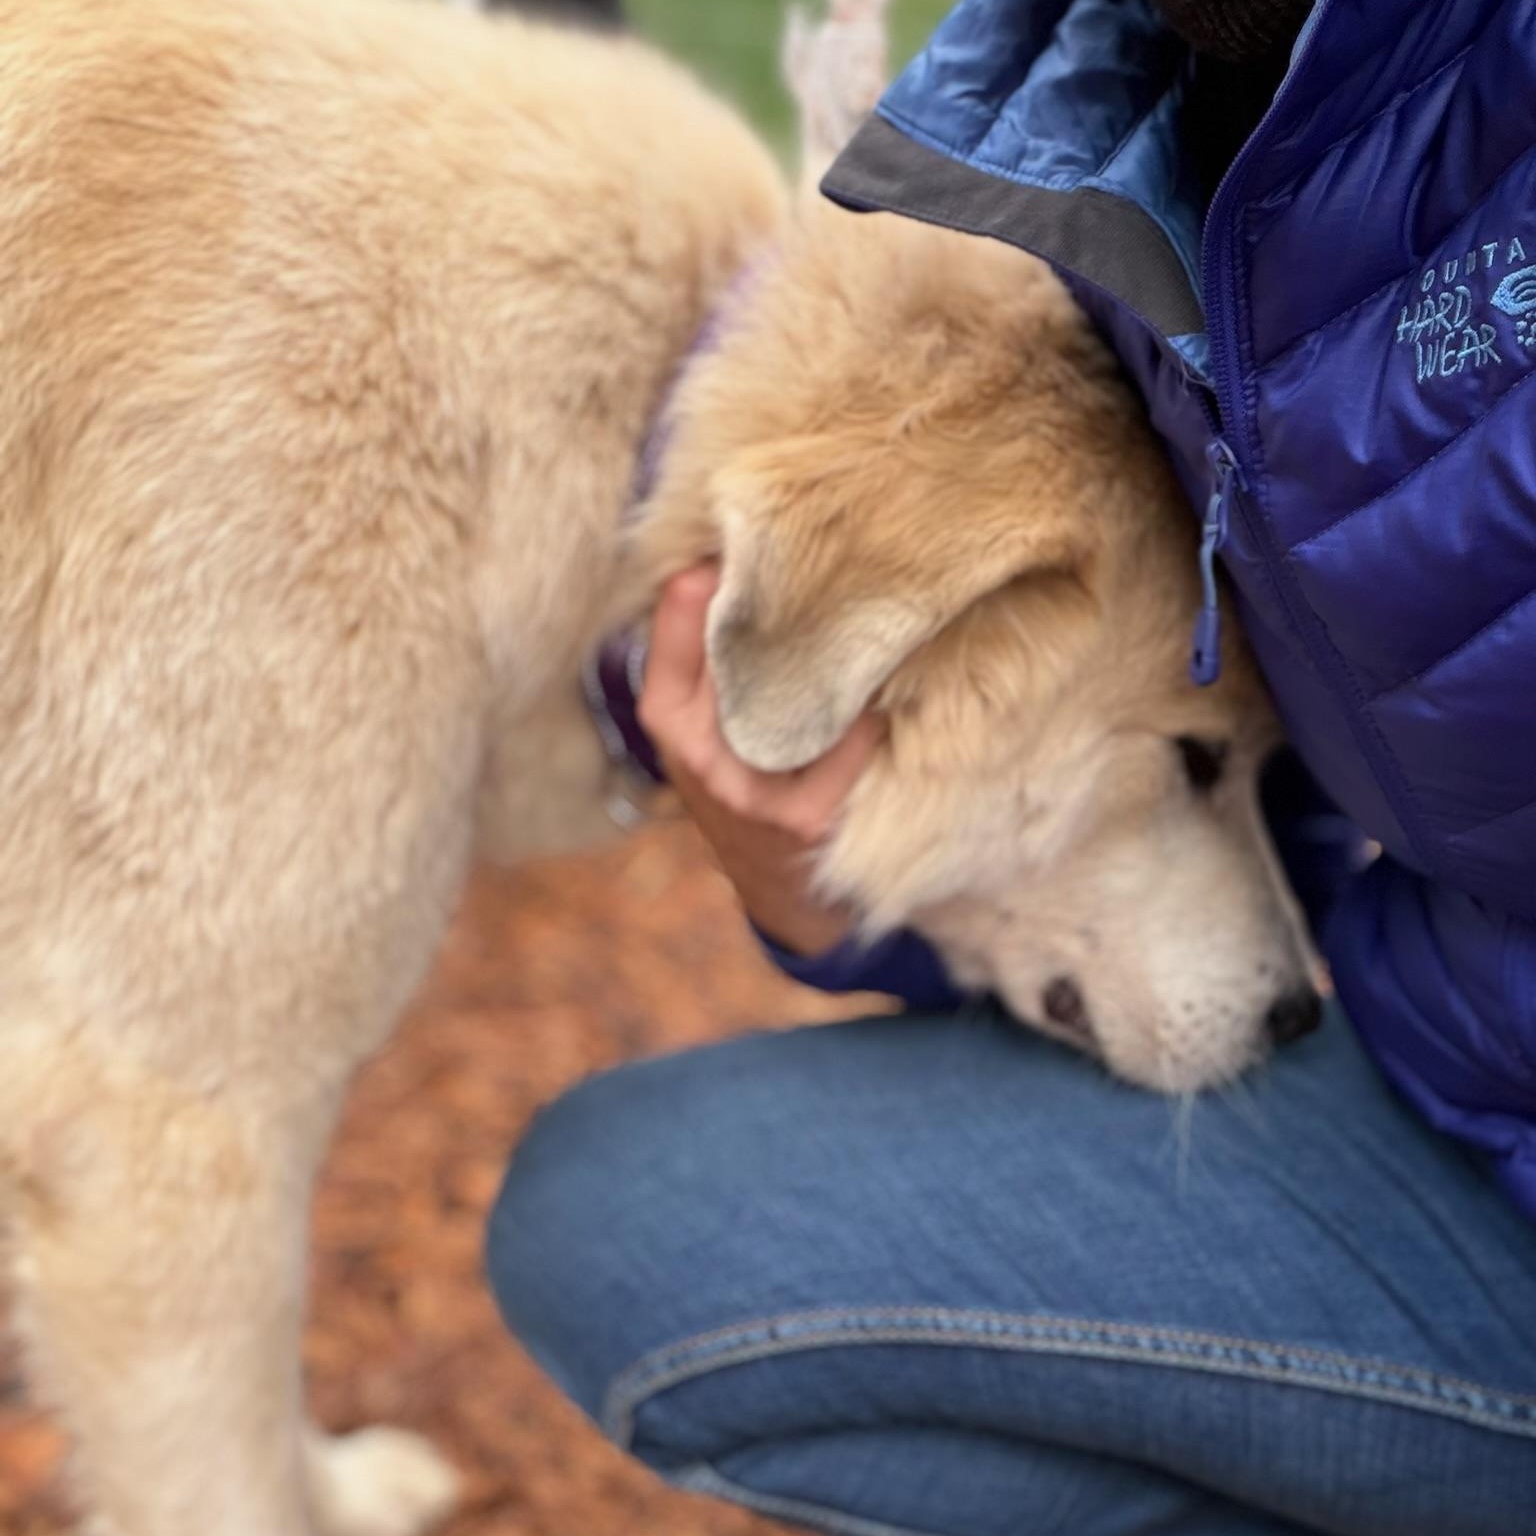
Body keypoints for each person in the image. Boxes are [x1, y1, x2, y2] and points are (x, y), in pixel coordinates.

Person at [486, 2, 1536, 1532]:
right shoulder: (1099, 88)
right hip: (1452, 1080)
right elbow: (1130, 720)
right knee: (623, 1217)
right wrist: (822, 872)